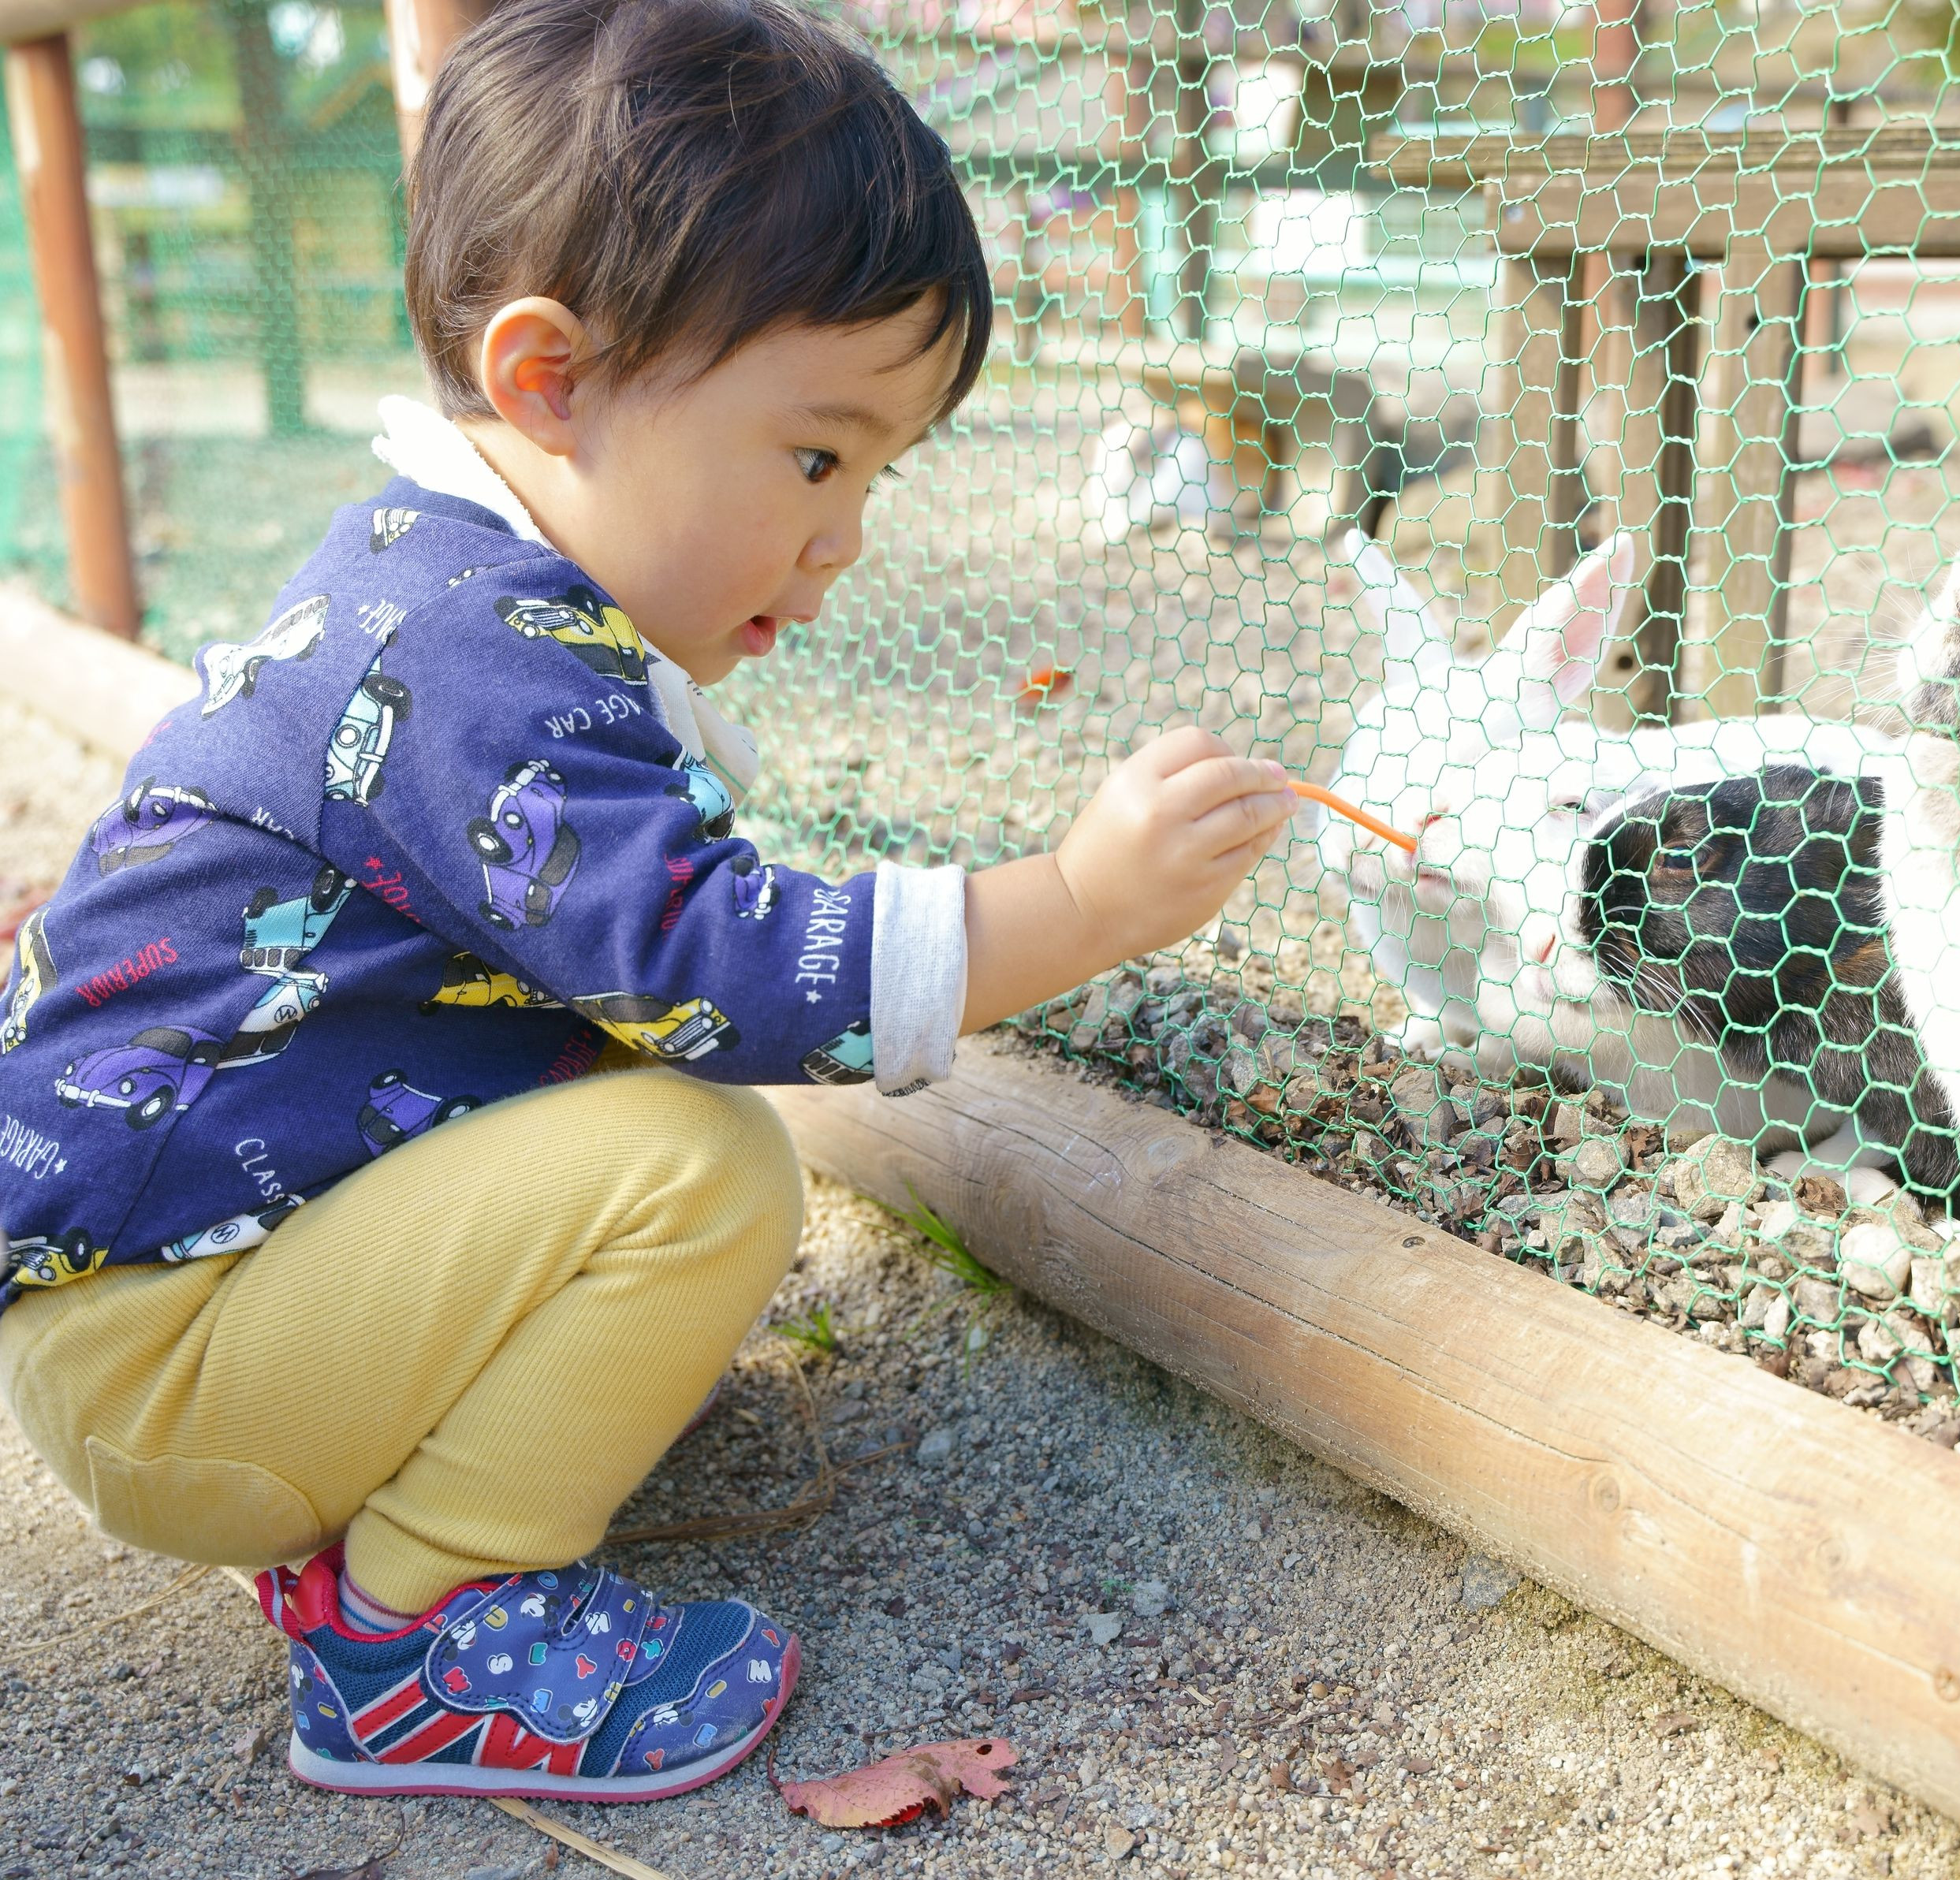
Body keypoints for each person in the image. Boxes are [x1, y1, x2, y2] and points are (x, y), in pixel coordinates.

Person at [0, 0, 1292, 1802]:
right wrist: (1078, 901)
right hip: (171, 1364)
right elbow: (722, 972)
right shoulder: (472, 662)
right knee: (700, 1165)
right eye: (818, 456)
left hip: (183, 1299)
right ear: (549, 379)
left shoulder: (437, 582)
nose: (845, 535)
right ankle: (409, 1639)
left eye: (878, 474)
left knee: (636, 1124)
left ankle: (384, 1482)